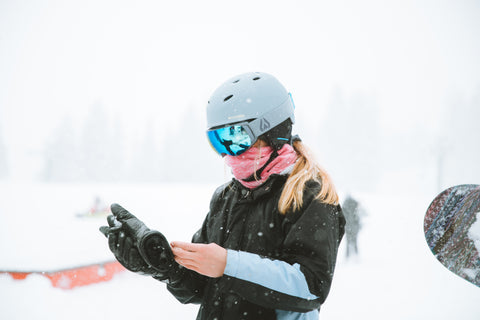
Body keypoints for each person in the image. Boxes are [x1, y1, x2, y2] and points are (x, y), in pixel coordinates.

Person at [100, 72, 346, 320]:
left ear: (273, 132)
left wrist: (229, 265)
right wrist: (162, 264)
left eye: (237, 138)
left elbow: (311, 287)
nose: (229, 153)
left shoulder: (309, 196)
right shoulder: (227, 197)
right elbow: (202, 286)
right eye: (219, 141)